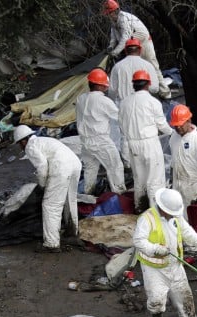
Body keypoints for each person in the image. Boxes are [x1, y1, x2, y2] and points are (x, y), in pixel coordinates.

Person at [133, 187, 197, 317]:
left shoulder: (175, 218)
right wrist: (155, 249)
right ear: (162, 208)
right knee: (156, 299)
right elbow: (138, 241)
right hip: (155, 268)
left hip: (175, 264)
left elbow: (187, 233)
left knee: (184, 295)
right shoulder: (147, 219)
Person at [13, 125, 82, 253]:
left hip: (61, 167)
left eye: (19, 144)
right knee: (70, 200)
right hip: (75, 164)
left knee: (50, 205)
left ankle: (51, 243)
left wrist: (42, 185)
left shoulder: (30, 146)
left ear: (22, 141)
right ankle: (72, 233)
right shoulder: (44, 140)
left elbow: (42, 167)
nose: (20, 147)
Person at [119, 69, 173, 213]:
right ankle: (156, 212)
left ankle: (139, 209)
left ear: (133, 85)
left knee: (139, 179)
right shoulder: (153, 102)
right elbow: (161, 125)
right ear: (148, 84)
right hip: (149, 143)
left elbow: (121, 126)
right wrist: (173, 133)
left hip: (132, 144)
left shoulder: (124, 103)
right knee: (155, 179)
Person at [76, 68, 126, 194]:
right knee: (115, 167)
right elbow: (121, 117)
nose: (106, 87)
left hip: (85, 141)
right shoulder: (103, 101)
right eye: (104, 85)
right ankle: (119, 194)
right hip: (100, 140)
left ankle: (89, 194)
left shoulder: (81, 99)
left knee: (90, 169)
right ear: (98, 85)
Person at [103, 0, 167, 95]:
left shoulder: (124, 19)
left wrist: (115, 52)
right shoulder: (113, 21)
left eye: (109, 13)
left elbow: (125, 38)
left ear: (115, 11)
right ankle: (142, 92)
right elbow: (114, 37)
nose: (108, 15)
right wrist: (111, 46)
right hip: (131, 45)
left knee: (153, 67)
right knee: (134, 69)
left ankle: (165, 92)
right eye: (107, 14)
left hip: (144, 42)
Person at [168, 105, 197, 205]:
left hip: (193, 187)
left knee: (192, 212)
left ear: (188, 121)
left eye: (181, 124)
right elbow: (173, 158)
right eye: (176, 125)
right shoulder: (174, 137)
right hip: (177, 184)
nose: (178, 127)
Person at [109, 37, 164, 103]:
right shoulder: (148, 66)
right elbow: (154, 88)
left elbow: (112, 91)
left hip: (123, 105)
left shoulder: (117, 67)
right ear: (140, 50)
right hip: (143, 104)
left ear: (125, 50)